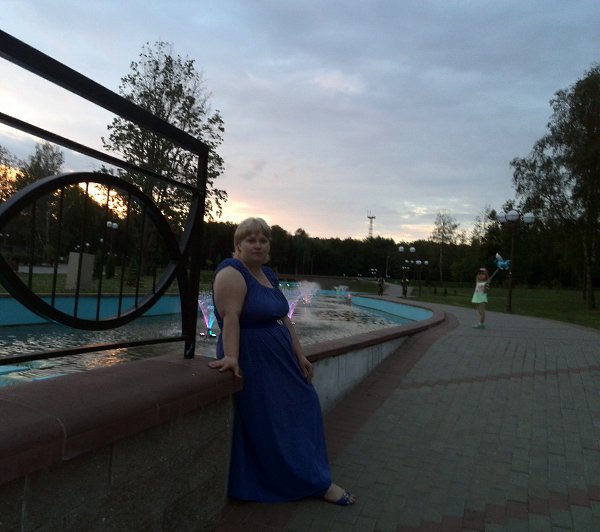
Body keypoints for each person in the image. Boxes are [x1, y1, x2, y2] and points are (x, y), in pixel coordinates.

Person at [208, 217, 356, 506]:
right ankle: (313, 483)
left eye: (263, 240)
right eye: (251, 240)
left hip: (281, 358)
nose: (258, 245)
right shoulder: (231, 273)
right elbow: (231, 318)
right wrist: (231, 357)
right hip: (253, 358)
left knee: (306, 404)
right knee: (270, 420)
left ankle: (311, 476)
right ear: (238, 244)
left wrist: (299, 354)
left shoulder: (267, 274)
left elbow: (283, 318)